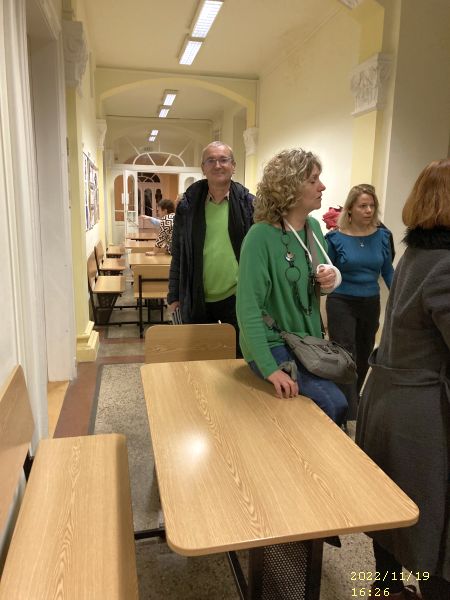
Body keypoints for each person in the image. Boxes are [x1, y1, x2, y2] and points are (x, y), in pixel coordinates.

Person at [356, 159, 450, 600]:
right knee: (429, 525)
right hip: (420, 413)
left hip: (388, 400)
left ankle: (386, 590)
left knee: (391, 512)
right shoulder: (445, 263)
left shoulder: (417, 254)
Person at [236, 148, 347, 424]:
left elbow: (321, 280)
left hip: (307, 341)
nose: (322, 186)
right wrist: (269, 368)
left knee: (344, 393)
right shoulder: (259, 237)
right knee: (332, 403)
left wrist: (331, 277)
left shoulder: (313, 228)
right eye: (313, 180)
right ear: (290, 187)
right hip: (273, 342)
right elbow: (248, 309)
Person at [168, 141, 254, 343]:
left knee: (239, 353)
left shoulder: (249, 205)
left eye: (223, 160)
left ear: (233, 166)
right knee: (200, 353)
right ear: (203, 168)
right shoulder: (187, 206)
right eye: (211, 160)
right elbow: (178, 253)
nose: (217, 165)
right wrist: (174, 295)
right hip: (197, 296)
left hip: (238, 296)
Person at [325, 184, 394, 419]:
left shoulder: (383, 236)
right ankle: (348, 411)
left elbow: (388, 271)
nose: (368, 210)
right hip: (341, 301)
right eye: (363, 206)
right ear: (350, 209)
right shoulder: (334, 238)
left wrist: (400, 297)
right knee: (345, 355)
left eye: (372, 206)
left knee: (364, 354)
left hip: (370, 302)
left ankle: (352, 401)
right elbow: (327, 272)